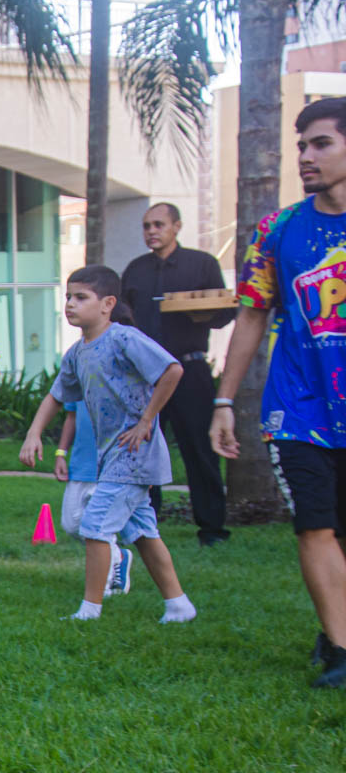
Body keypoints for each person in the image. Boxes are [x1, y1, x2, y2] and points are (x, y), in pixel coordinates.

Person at [211, 96, 346, 689]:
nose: (306, 156)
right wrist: (223, 401)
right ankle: (342, 649)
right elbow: (250, 317)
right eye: (301, 146)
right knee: (315, 526)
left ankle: (335, 625)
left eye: (321, 144)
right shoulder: (278, 230)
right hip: (299, 409)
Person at [19, 265, 196, 624]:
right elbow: (56, 396)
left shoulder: (124, 339)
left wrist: (146, 420)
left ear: (107, 304)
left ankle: (90, 609)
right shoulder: (77, 353)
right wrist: (34, 433)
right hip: (111, 456)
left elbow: (172, 370)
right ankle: (179, 605)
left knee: (95, 525)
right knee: (142, 532)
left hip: (133, 454)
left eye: (81, 297)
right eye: (68, 297)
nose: (70, 304)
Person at [121, 201, 234, 546]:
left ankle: (212, 530)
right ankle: (145, 525)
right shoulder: (135, 270)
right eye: (146, 226)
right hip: (145, 377)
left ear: (176, 226)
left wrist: (202, 314)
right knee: (142, 449)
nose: (151, 231)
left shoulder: (202, 264)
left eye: (158, 225)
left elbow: (225, 313)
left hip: (189, 370)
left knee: (199, 449)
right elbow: (123, 320)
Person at [54, 400, 131, 595]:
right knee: (71, 524)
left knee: (98, 529)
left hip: (111, 468)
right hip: (80, 466)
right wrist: (60, 453)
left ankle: (103, 589)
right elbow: (71, 417)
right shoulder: (79, 385)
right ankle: (118, 556)